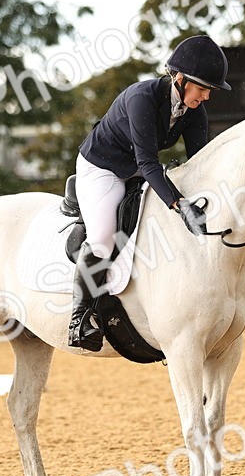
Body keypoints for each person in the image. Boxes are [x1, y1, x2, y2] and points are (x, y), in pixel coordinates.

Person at [67, 34, 232, 350]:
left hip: (138, 169)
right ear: (179, 79)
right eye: (202, 88)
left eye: (209, 90)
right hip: (102, 167)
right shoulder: (142, 98)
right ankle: (78, 318)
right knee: (103, 237)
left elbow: (200, 164)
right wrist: (178, 203)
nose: (206, 97)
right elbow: (147, 160)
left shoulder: (194, 110)